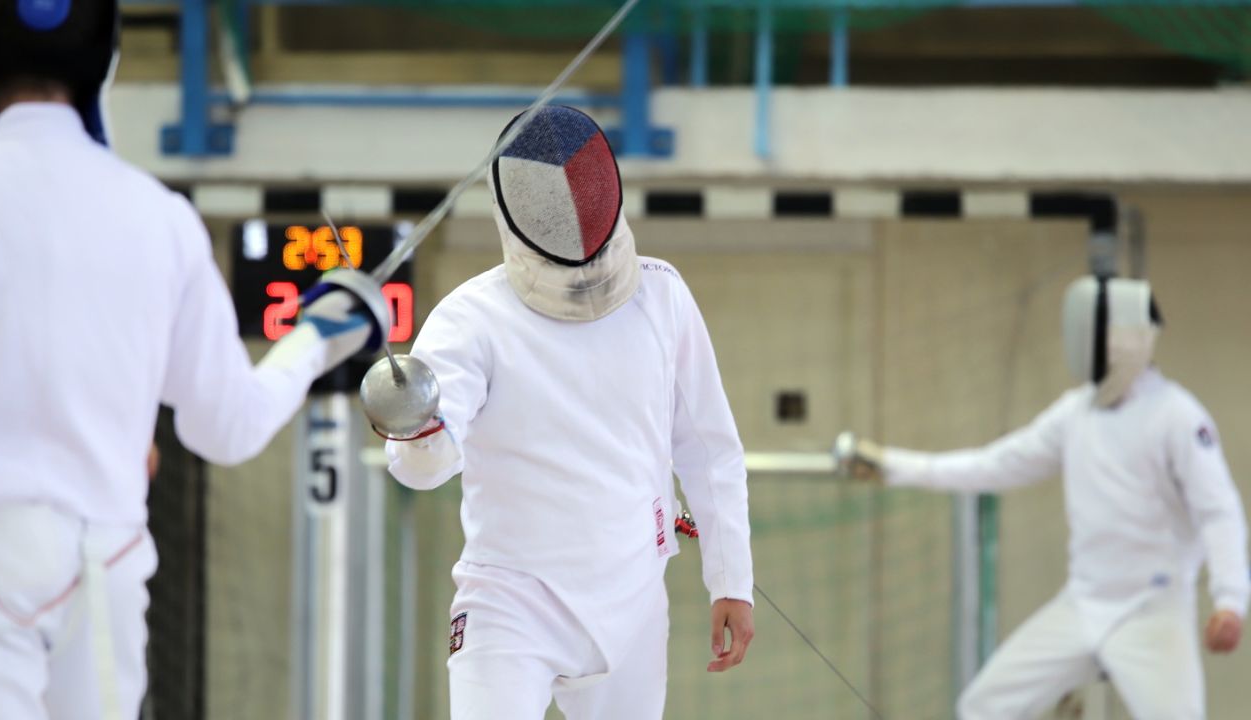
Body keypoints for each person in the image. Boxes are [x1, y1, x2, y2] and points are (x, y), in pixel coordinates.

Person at [0, 2, 386, 718]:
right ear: (101, 60)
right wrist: (316, 338)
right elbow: (229, 425)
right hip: (106, 568)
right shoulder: (159, 217)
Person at [382, 106, 755, 719]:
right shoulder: (471, 318)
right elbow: (424, 465)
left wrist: (732, 580)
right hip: (510, 605)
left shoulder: (661, 294)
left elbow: (709, 449)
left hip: (634, 600)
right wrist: (417, 427)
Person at [837, 275, 1248, 720]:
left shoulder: (1177, 416)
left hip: (1152, 612)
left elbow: (1219, 511)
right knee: (982, 707)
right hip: (1083, 603)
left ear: (1120, 338)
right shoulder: (1076, 413)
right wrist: (893, 465)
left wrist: (1230, 601)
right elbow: (994, 465)